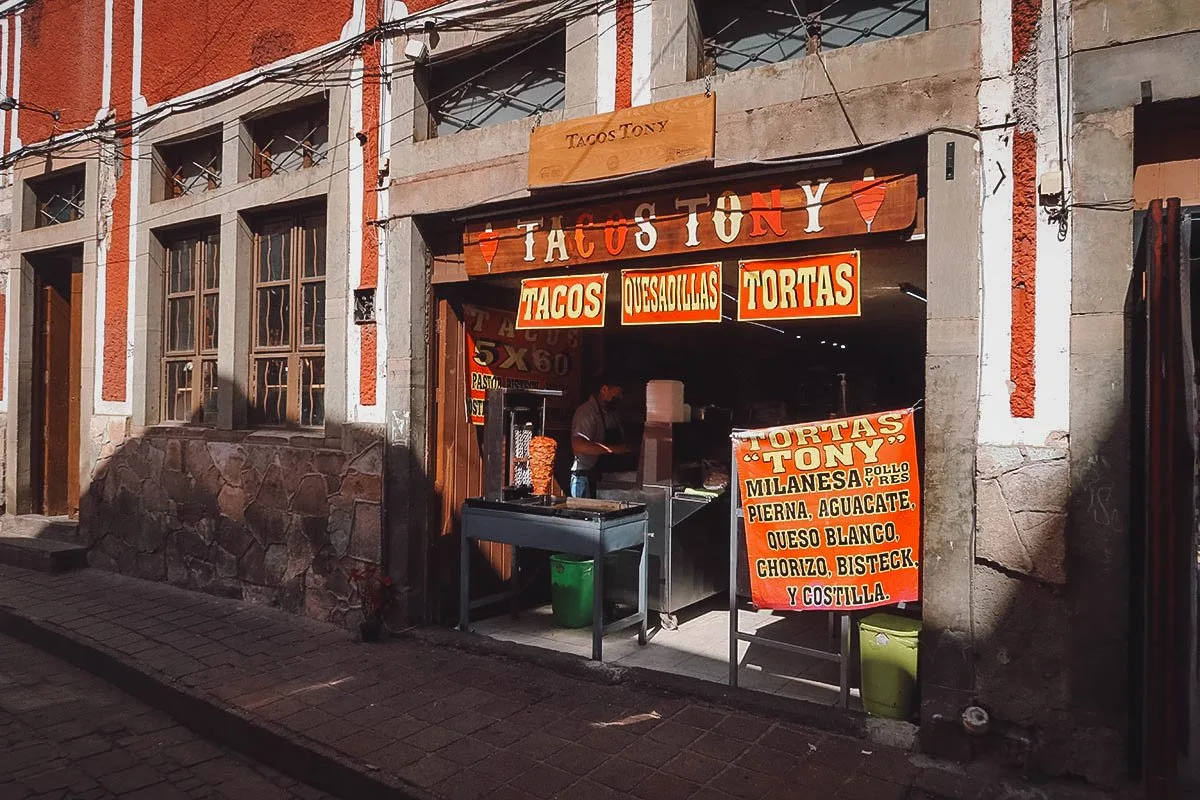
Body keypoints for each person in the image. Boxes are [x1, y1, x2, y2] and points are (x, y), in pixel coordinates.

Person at [569, 374, 629, 498]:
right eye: (618, 393)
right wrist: (613, 449)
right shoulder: (587, 412)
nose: (620, 397)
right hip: (584, 478)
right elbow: (578, 445)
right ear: (604, 389)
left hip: (605, 476)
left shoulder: (611, 413)